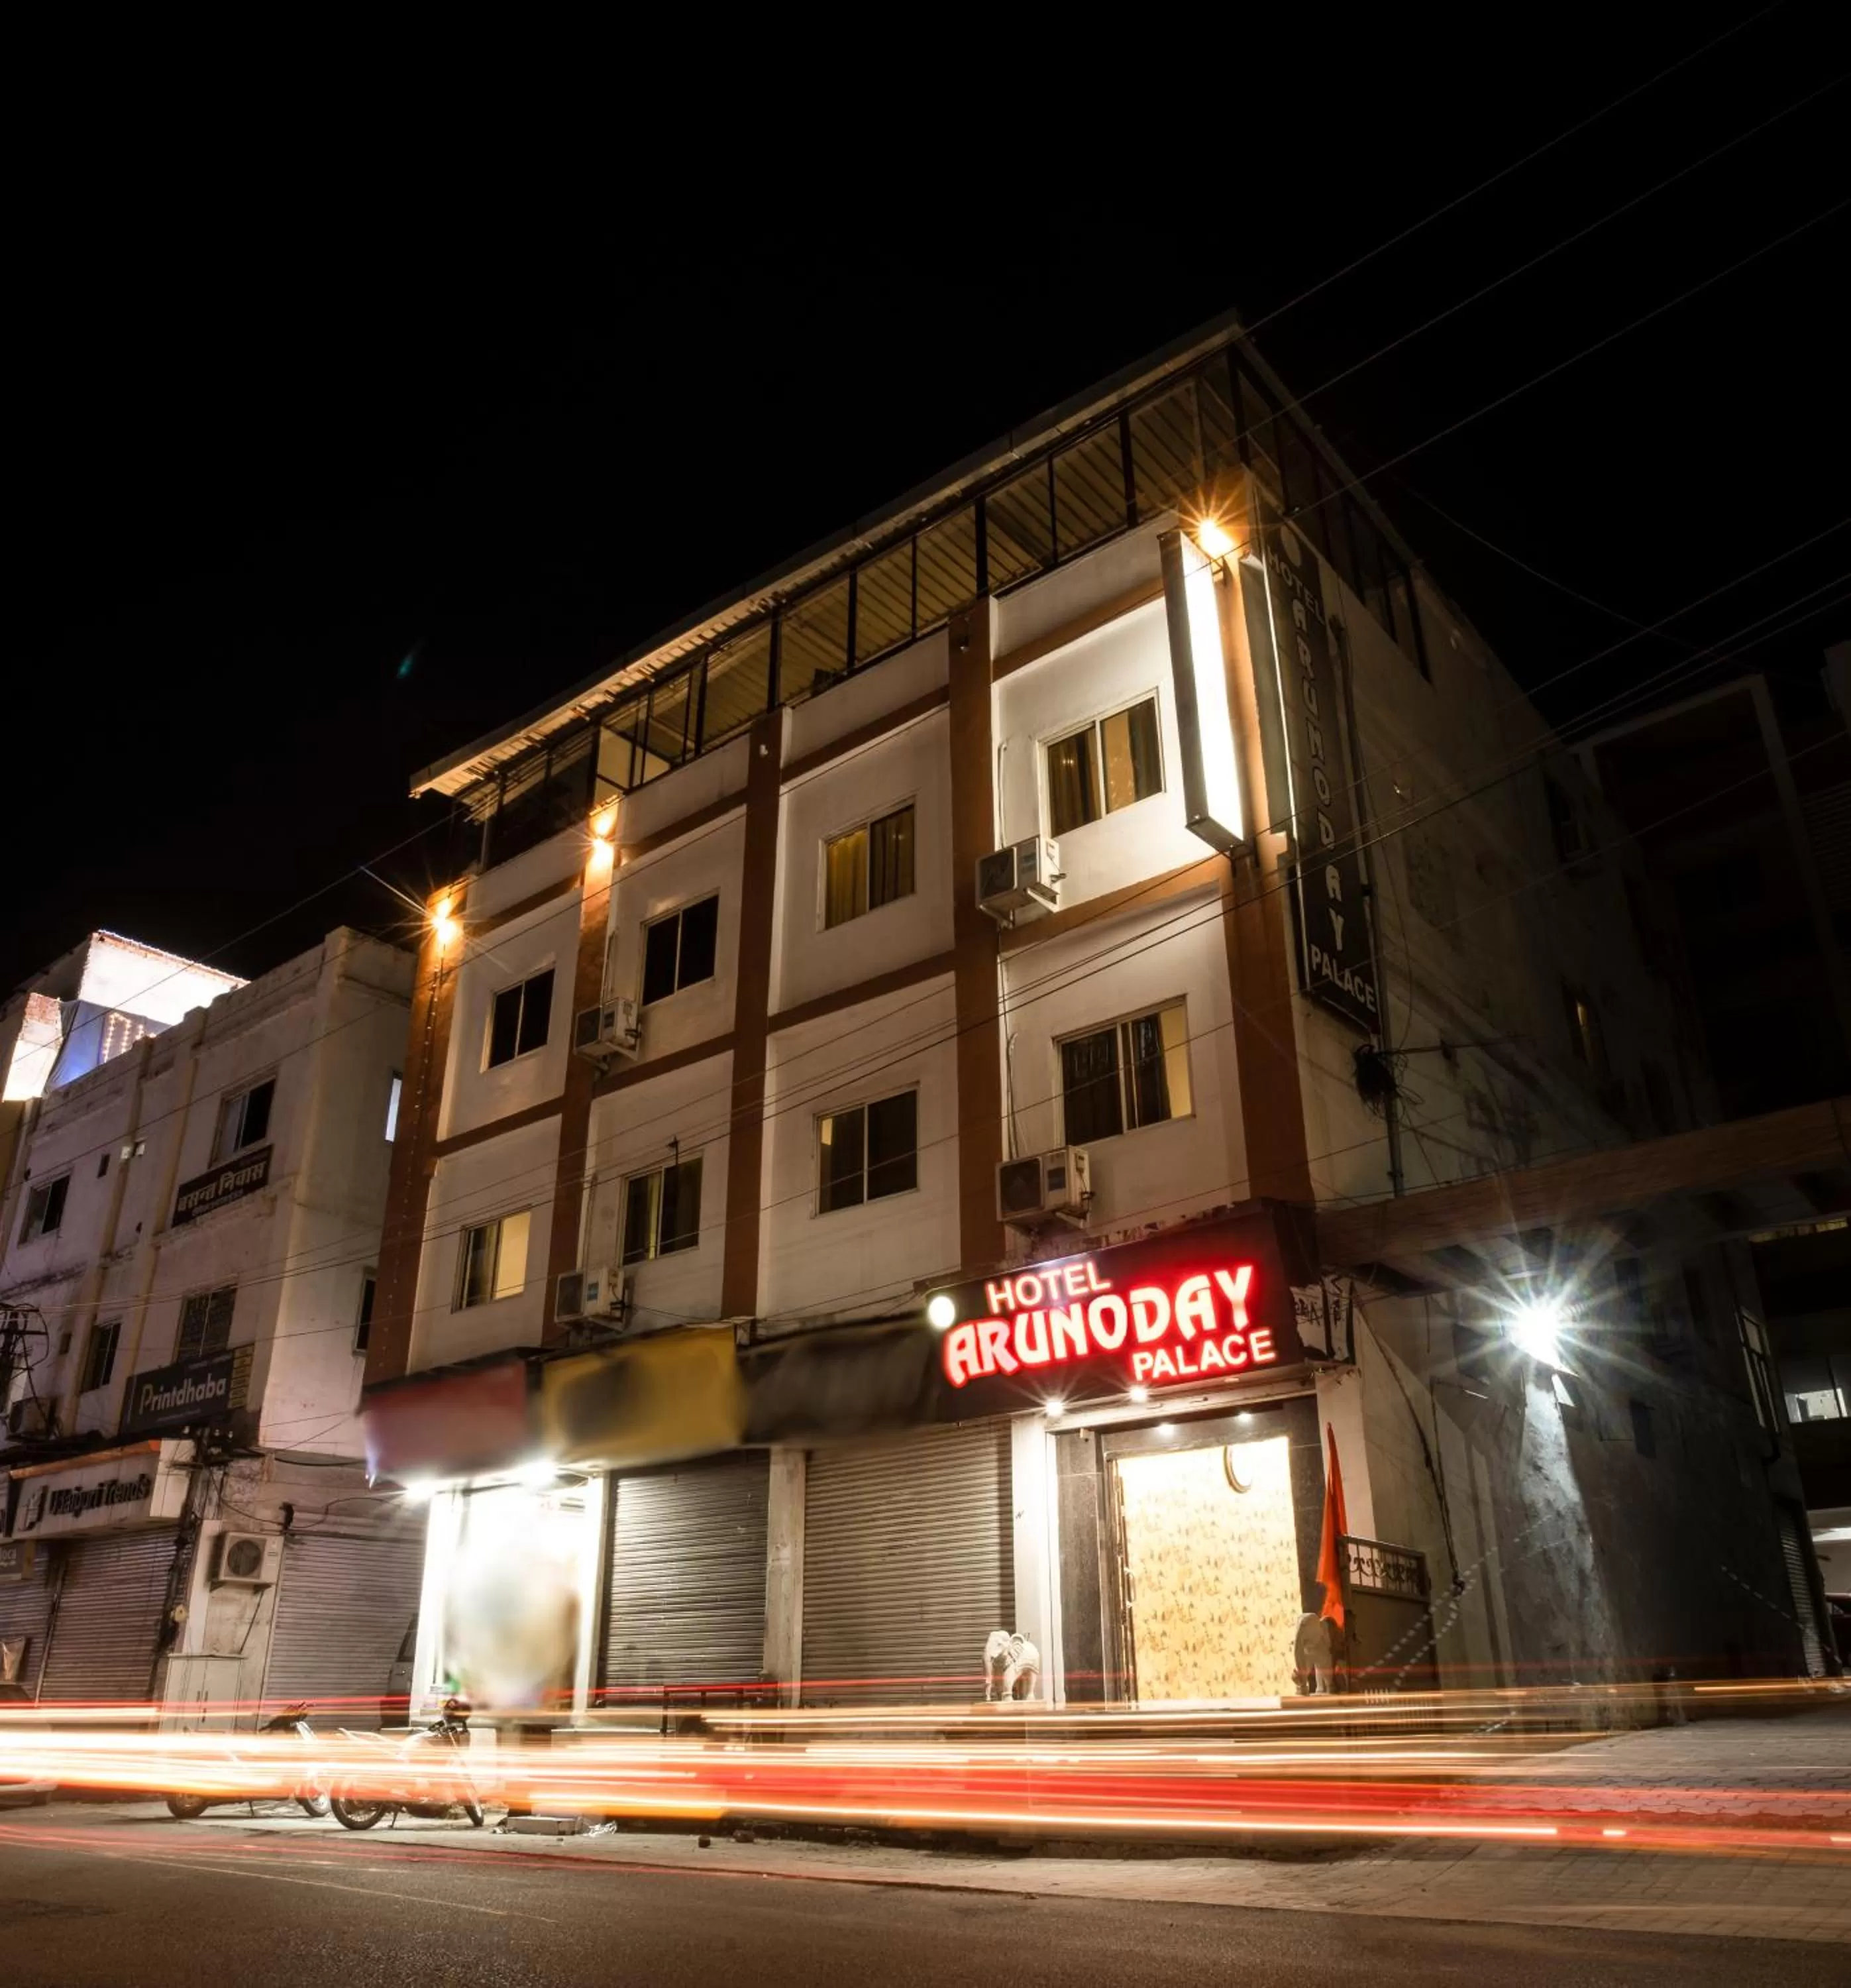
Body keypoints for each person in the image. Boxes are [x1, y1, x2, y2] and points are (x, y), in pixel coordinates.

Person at [983, 1628, 1040, 1701]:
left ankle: (1030, 1693)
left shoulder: (1013, 1655)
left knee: (1010, 1689)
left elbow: (1008, 1678)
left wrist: (1007, 1692)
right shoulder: (997, 1660)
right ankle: (1012, 1696)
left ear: (1012, 1645)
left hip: (1031, 1659)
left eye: (999, 1645)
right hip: (1004, 1662)